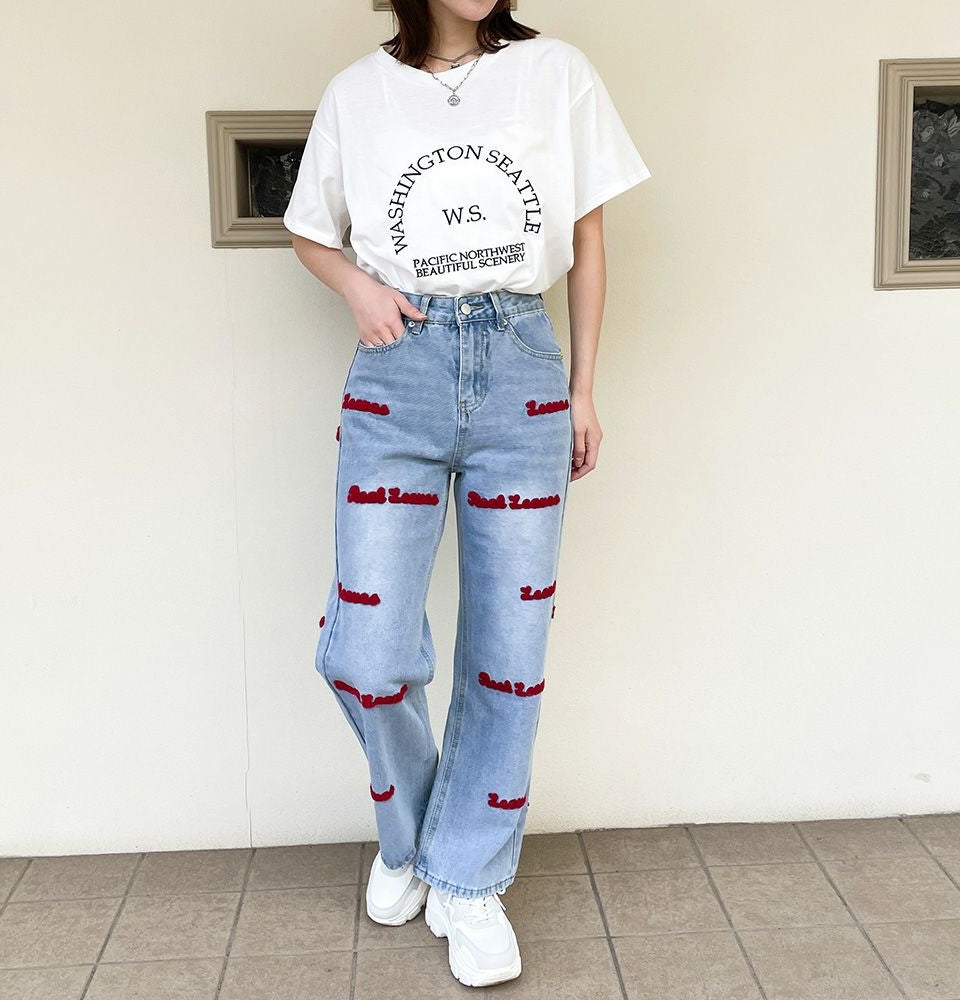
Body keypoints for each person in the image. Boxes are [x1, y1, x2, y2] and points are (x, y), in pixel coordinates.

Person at [283, 0, 650, 987]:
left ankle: (469, 875)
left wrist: (582, 389)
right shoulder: (358, 92)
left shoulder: (556, 71)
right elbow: (310, 231)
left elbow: (588, 237)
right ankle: (414, 835)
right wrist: (357, 287)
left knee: (510, 651)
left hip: (521, 363)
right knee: (365, 650)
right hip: (396, 373)